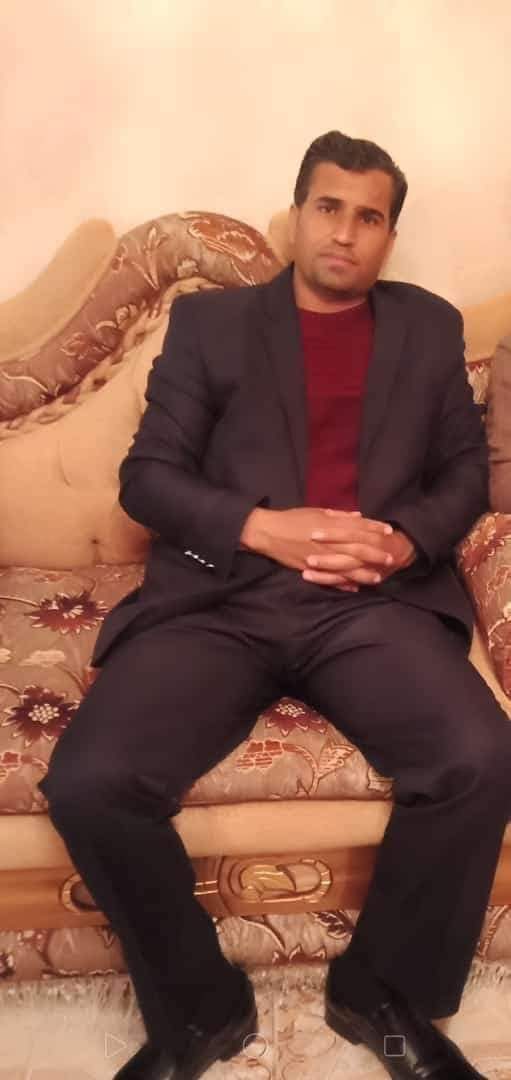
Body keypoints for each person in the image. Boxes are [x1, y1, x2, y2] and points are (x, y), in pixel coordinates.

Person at [37, 130, 511, 1080]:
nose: (345, 232)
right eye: (328, 207)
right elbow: (148, 477)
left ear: (387, 236)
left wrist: (404, 539)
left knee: (478, 756)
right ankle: (199, 1012)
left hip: (369, 607)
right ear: (298, 215)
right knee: (90, 781)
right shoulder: (210, 325)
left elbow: (464, 469)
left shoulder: (425, 328)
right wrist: (262, 528)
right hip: (221, 599)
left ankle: (380, 992)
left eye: (369, 217)